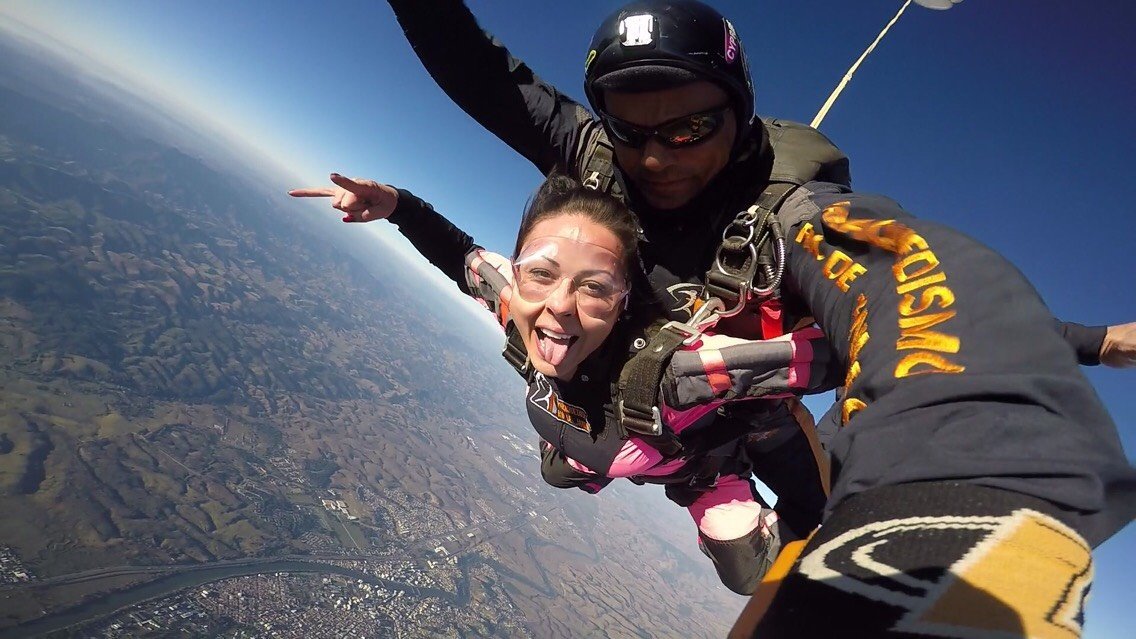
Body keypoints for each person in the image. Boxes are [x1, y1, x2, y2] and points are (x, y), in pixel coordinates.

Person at [382, 1, 1136, 634]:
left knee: (767, 552)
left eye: (688, 131)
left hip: (729, 427)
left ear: (738, 115)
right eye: (633, 131)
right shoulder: (594, 153)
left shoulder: (796, 218)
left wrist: (1092, 347)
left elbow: (914, 286)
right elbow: (475, 71)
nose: (656, 159)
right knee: (567, 458)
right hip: (622, 404)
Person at [290, 172, 837, 595]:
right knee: (560, 467)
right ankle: (595, 459)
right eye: (542, 274)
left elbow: (815, 359)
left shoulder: (676, 376)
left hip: (703, 471)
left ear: (624, 304)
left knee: (752, 574)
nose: (558, 306)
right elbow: (462, 258)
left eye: (595, 288)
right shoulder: (518, 310)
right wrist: (398, 205)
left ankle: (834, 455)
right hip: (611, 449)